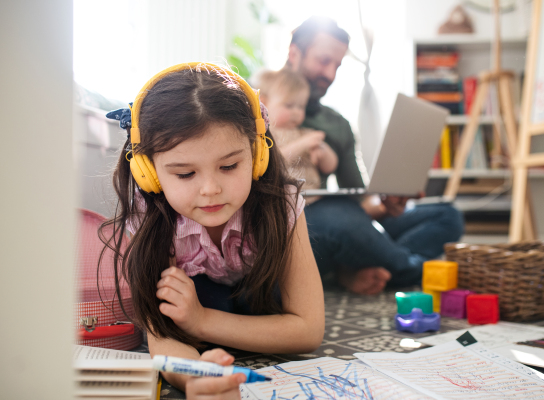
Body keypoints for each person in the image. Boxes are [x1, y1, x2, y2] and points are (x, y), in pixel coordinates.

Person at [101, 63, 324, 398]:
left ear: (257, 154)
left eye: (229, 166)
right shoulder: (150, 217)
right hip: (200, 299)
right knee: (189, 300)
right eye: (185, 174)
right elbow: (162, 337)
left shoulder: (282, 203)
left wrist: (202, 321)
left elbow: (307, 329)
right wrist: (195, 378)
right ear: (150, 173)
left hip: (259, 297)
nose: (210, 189)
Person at [286, 17, 464, 296]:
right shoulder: (258, 105)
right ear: (294, 53)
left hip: (341, 221)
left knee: (447, 215)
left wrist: (385, 204)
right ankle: (409, 269)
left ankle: (363, 267)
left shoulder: (337, 124)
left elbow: (359, 198)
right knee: (340, 218)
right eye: (323, 61)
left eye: (337, 65)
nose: (330, 74)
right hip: (295, 223)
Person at [253, 68, 338, 204]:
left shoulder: (305, 133)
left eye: (301, 106)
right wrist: (303, 144)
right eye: (289, 105)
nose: (296, 112)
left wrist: (321, 148)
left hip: (313, 198)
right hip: (281, 201)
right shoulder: (264, 134)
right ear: (264, 103)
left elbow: (330, 167)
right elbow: (272, 163)